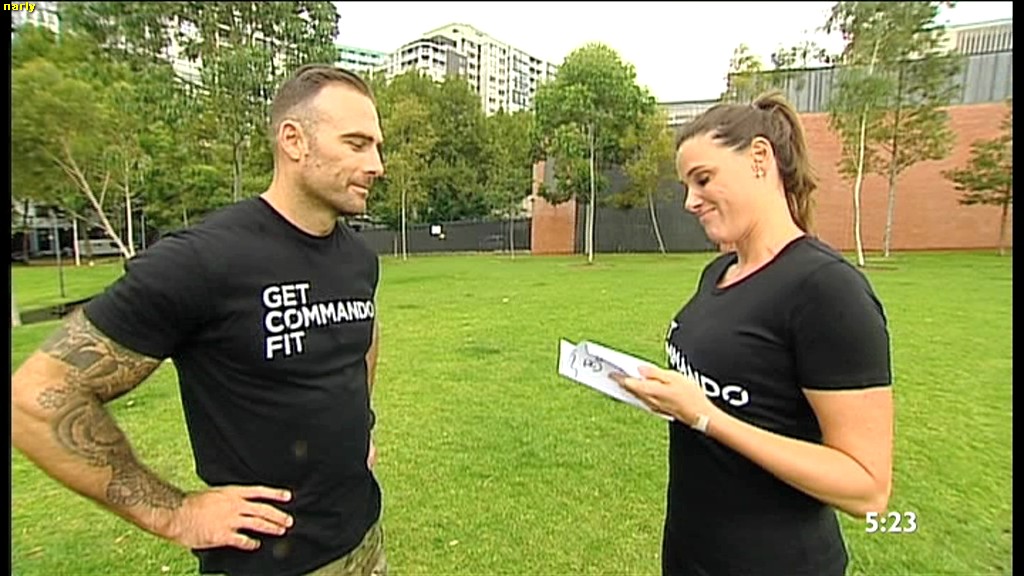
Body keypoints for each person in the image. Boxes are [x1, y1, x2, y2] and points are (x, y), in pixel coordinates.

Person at [11, 65, 388, 576]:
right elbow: (35, 397)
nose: (376, 165)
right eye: (357, 144)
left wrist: (362, 425)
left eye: (377, 147)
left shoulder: (358, 259)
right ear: (294, 141)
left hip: (365, 542)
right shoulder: (203, 261)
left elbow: (360, 339)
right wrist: (175, 513)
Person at [613, 91, 894, 576]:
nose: (690, 201)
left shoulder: (827, 290)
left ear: (760, 159)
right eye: (686, 185)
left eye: (703, 179)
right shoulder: (719, 272)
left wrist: (706, 416)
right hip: (691, 552)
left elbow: (867, 488)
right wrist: (668, 395)